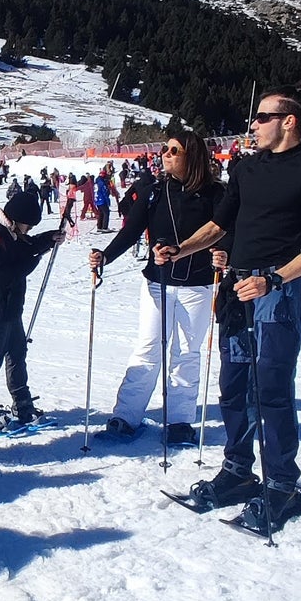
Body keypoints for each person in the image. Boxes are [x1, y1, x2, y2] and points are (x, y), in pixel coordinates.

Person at [162, 83, 301, 530]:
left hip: (276, 292)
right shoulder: (244, 168)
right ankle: (238, 470)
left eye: (261, 117)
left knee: (272, 391)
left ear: (288, 121)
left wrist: (275, 278)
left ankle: (282, 484)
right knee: (234, 387)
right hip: (237, 291)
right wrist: (181, 249)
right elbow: (222, 223)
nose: (253, 125)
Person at [92, 128, 224, 443]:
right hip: (157, 282)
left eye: (174, 150)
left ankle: (179, 422)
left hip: (198, 285)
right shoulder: (153, 190)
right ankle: (125, 417)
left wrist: (224, 252)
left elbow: (225, 231)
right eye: (165, 148)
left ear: (192, 156)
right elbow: (131, 231)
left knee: (186, 353)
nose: (165, 153)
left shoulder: (216, 194)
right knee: (148, 349)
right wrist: (105, 256)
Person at [0, 186, 60, 431]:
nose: (28, 231)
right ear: (16, 220)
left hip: (11, 307)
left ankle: (22, 403)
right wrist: (35, 258)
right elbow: (4, 276)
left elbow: (23, 248)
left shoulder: (8, 232)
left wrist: (46, 240)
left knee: (17, 355)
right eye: (28, 226)